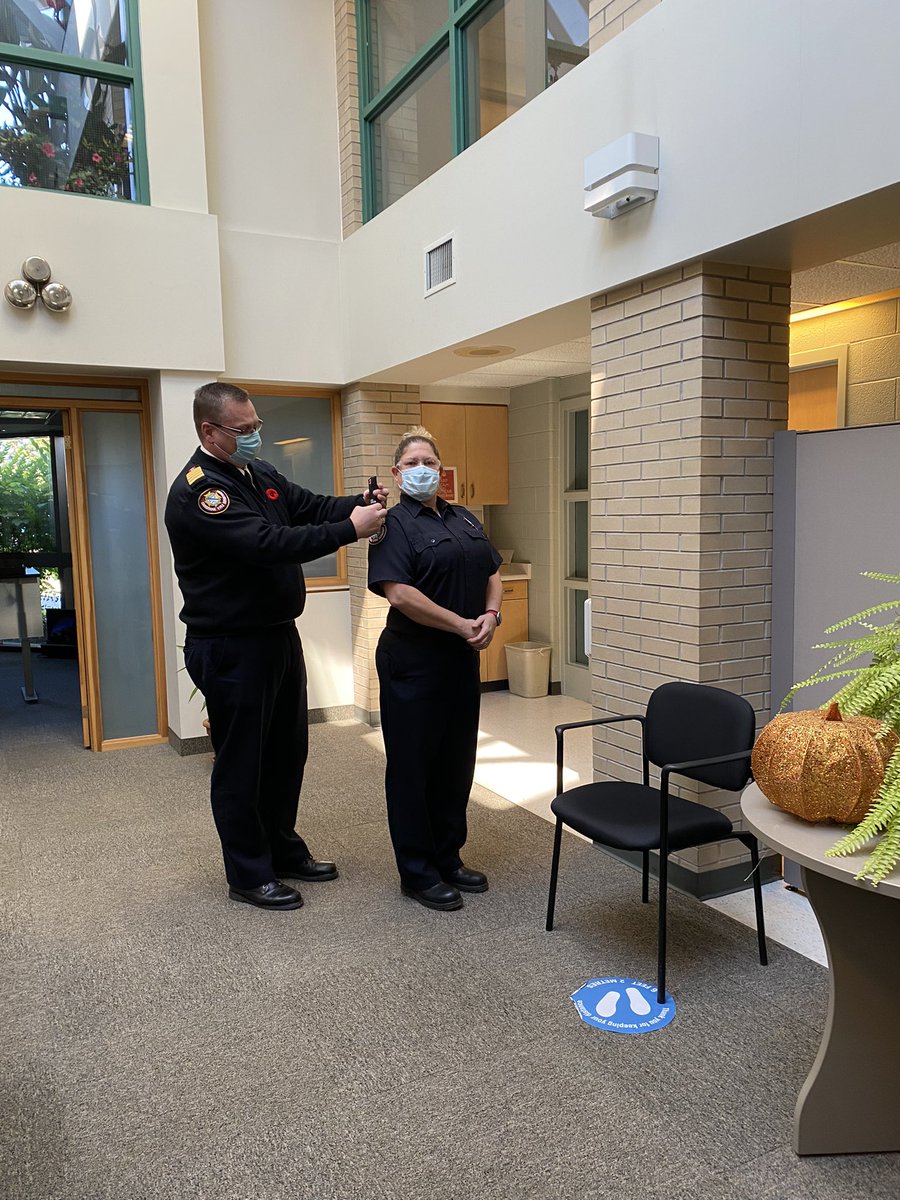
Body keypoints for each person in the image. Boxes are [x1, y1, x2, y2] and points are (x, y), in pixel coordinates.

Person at [165, 382, 386, 910]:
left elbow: (307, 507)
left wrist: (356, 504)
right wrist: (350, 532)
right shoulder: (201, 490)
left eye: (256, 425)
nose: (254, 436)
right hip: (231, 646)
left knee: (288, 753)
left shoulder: (256, 473)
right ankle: (248, 873)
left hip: (277, 637)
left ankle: (282, 849)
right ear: (209, 431)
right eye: (243, 431)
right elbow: (266, 546)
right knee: (243, 762)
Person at [367, 427, 503, 911]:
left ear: (440, 470)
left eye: (430, 460)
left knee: (455, 762)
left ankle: (448, 855)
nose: (423, 468)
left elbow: (492, 572)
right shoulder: (392, 524)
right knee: (412, 767)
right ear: (397, 473)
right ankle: (418, 871)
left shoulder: (465, 518)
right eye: (412, 462)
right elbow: (399, 593)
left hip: (460, 662)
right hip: (413, 662)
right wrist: (462, 624)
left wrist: (490, 616)